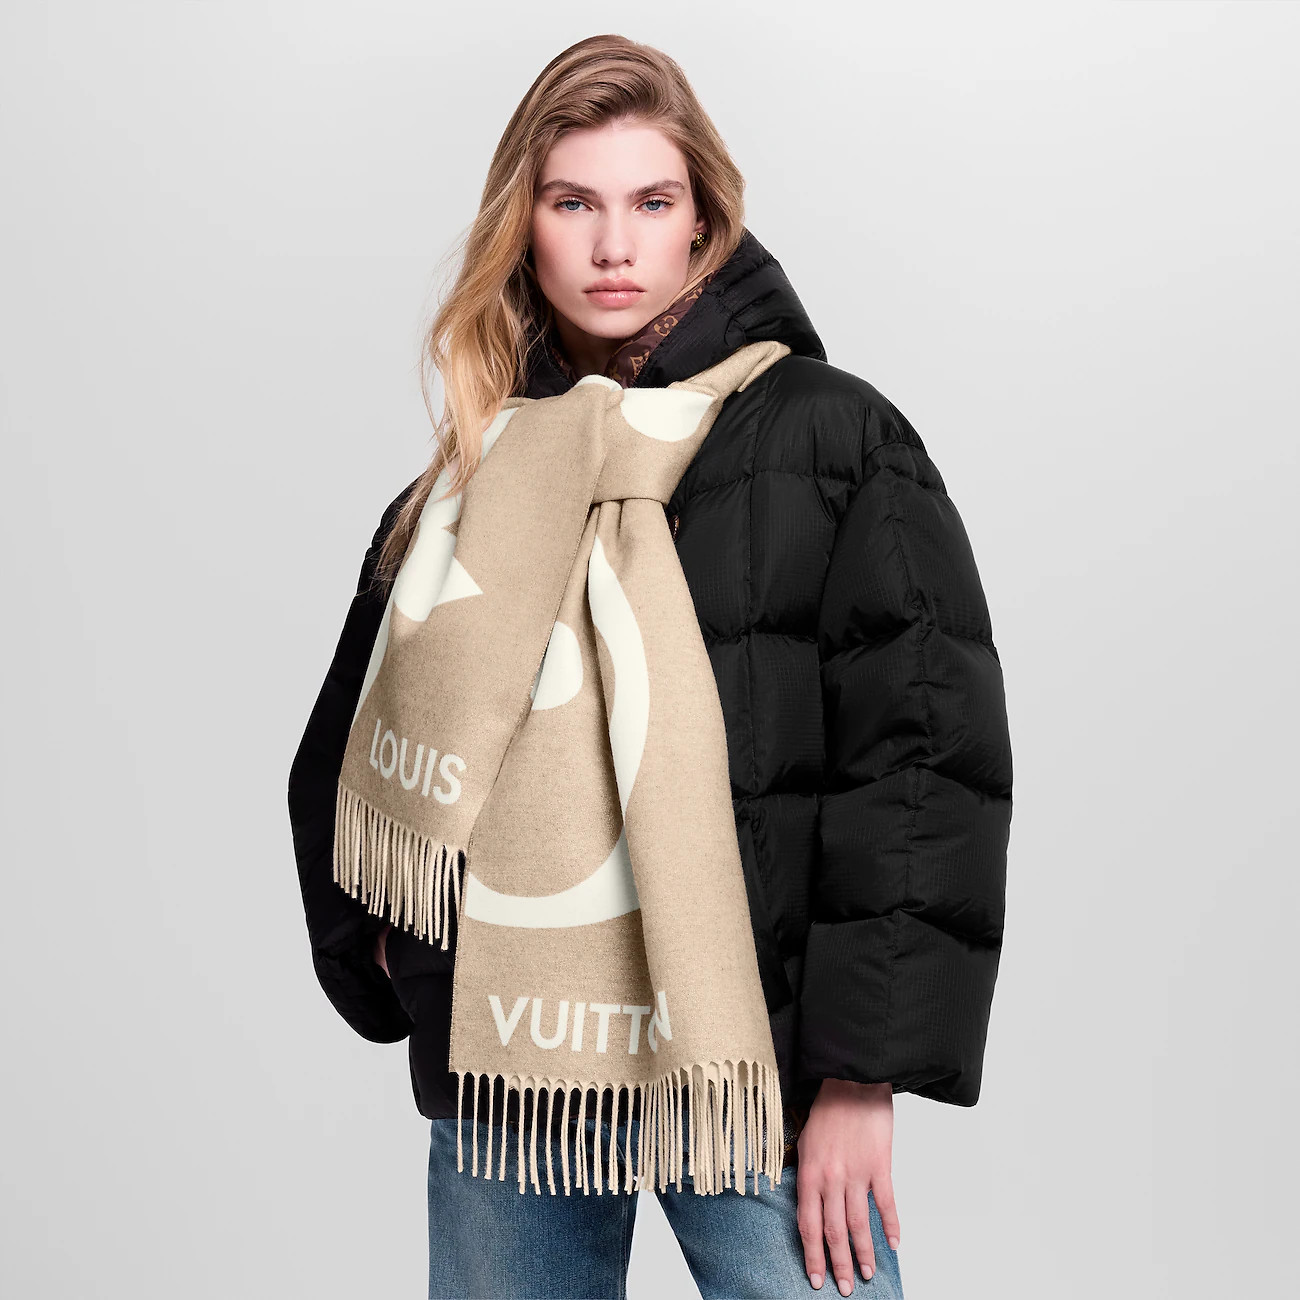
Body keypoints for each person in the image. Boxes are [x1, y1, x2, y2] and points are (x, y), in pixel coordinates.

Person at [287, 33, 1012, 1300]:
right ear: (524, 228)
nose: (614, 245)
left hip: (745, 1062)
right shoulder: (469, 478)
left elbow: (920, 761)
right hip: (514, 1064)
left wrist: (861, 1077)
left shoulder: (830, 437)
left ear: (702, 223)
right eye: (574, 203)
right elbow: (353, 743)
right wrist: (398, 954)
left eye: (651, 202)